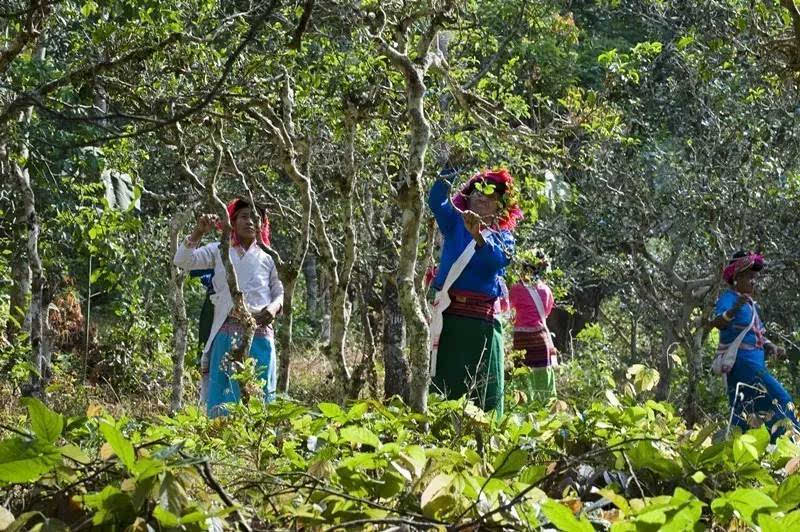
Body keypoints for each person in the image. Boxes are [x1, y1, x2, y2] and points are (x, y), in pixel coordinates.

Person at [174, 199, 283, 417]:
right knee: (223, 393)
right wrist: (197, 232)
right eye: (244, 216)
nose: (250, 222)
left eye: (255, 218)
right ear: (232, 221)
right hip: (226, 332)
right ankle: (220, 441)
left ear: (262, 224)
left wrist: (272, 309)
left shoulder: (270, 257)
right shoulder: (219, 250)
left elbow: (280, 291)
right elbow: (182, 260)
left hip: (260, 334)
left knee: (259, 391)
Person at [428, 167, 522, 416]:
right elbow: (436, 200)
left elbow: (496, 261)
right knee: (444, 390)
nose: (482, 197)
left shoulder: (504, 237)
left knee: (482, 393)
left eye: (491, 195)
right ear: (467, 196)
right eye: (477, 191)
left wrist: (479, 237)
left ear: (500, 205)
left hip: (481, 325)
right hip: (449, 319)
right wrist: (449, 168)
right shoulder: (453, 223)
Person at [708, 251, 799, 440]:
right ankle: (786, 443)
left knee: (744, 409)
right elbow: (717, 322)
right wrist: (734, 308)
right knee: (782, 401)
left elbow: (758, 334)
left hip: (754, 363)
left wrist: (773, 347)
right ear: (736, 278)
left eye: (754, 277)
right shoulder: (729, 298)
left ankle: (739, 453)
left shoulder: (751, 304)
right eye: (749, 277)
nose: (753, 281)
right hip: (744, 364)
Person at [509, 251, 558, 401]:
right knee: (543, 378)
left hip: (522, 340)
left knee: (523, 378)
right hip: (541, 340)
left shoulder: (516, 289)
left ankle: (524, 413)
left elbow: (506, 306)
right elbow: (547, 312)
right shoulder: (546, 291)